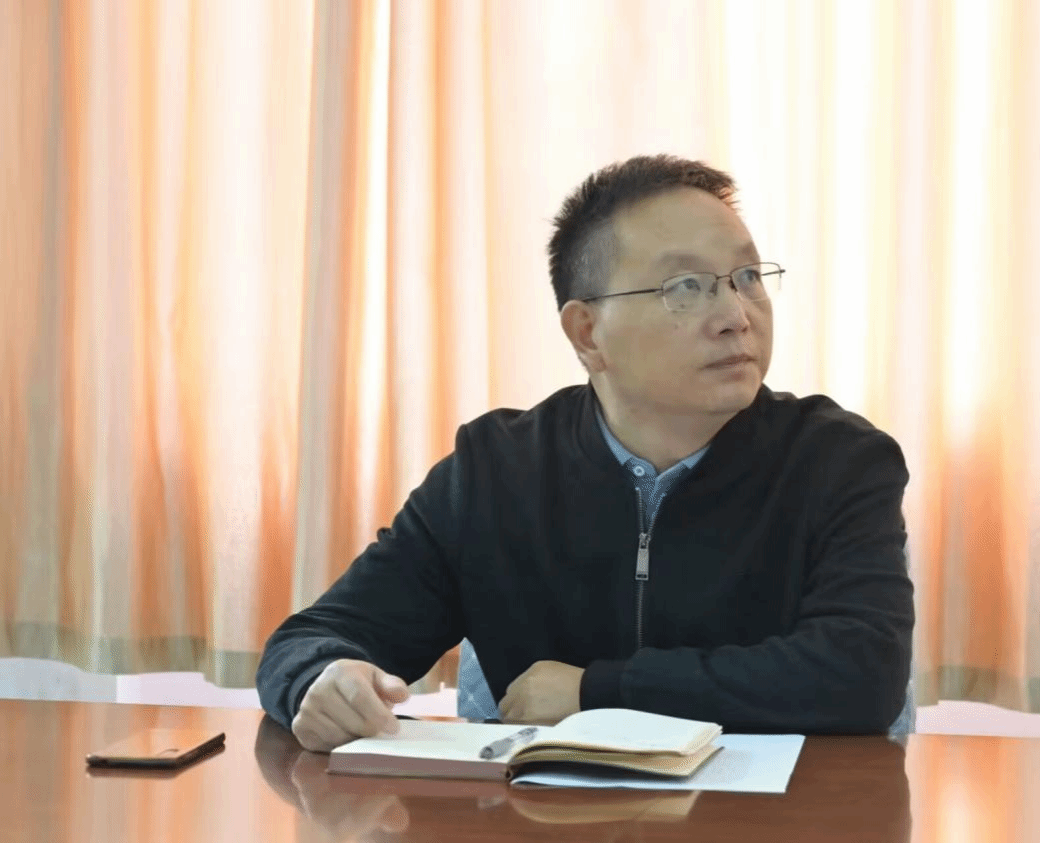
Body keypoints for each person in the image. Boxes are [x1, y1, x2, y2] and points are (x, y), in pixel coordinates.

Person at [256, 154, 915, 753]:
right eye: (687, 286)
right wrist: (321, 680)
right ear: (587, 332)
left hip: (781, 818)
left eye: (747, 277)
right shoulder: (494, 471)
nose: (736, 314)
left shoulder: (839, 460)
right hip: (548, 820)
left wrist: (598, 691)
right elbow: (313, 639)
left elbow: (860, 674)